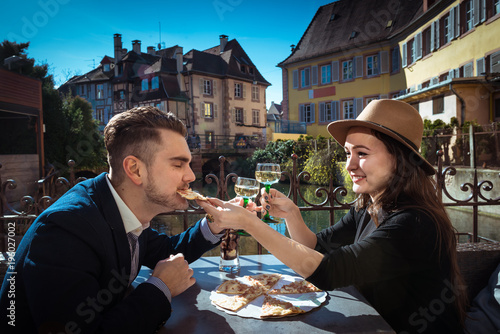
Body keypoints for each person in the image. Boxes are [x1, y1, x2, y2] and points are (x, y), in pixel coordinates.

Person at [200, 99, 467, 333]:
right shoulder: (367, 207)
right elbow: (317, 248)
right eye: (348, 153)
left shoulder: (415, 223)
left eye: (362, 153)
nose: (350, 165)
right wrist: (292, 214)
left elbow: (327, 271)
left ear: (400, 160)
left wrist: (250, 223)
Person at [0, 106, 225, 333]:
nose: (191, 176)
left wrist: (216, 224)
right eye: (178, 164)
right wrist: (160, 287)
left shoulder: (119, 205)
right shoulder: (65, 230)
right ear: (135, 169)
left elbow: (166, 250)